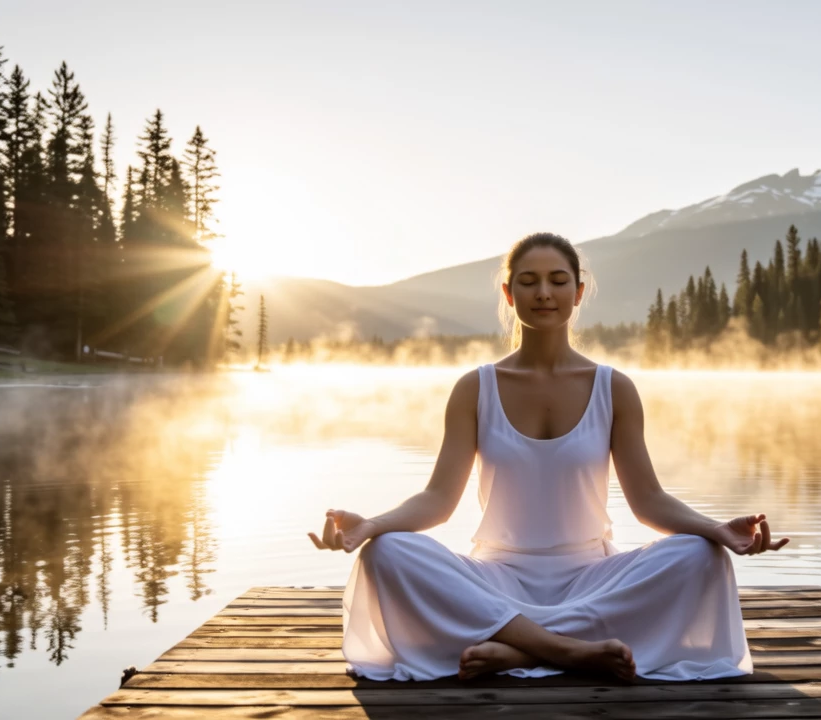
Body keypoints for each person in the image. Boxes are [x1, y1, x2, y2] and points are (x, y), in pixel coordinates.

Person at [309, 232, 789, 682]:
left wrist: (716, 531)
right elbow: (438, 499)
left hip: (592, 578)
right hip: (494, 581)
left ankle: (519, 648)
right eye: (529, 281)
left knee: (698, 556)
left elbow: (649, 501)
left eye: (558, 281)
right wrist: (371, 525)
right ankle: (569, 649)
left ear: (578, 293)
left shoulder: (613, 388)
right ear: (508, 292)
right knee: (389, 552)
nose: (544, 293)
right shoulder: (475, 388)